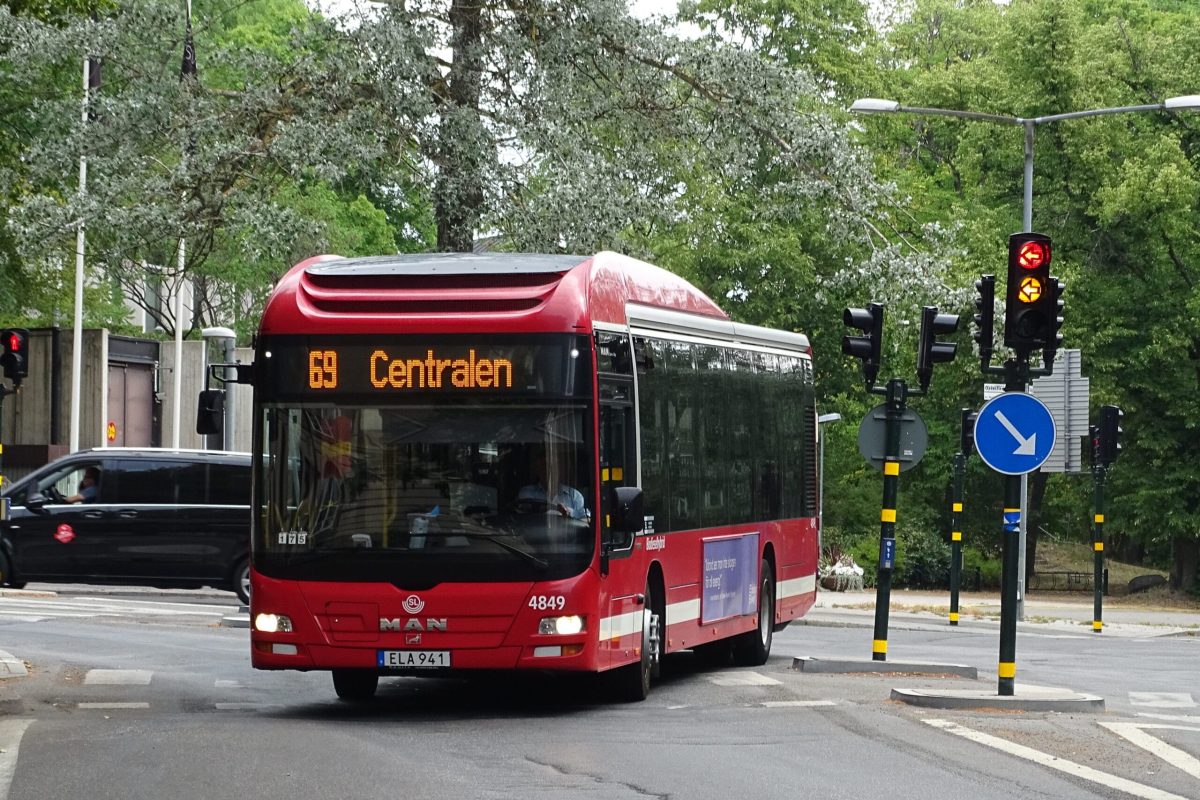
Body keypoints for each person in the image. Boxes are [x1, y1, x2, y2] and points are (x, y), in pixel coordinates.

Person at [518, 450, 588, 520]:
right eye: (544, 466)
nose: (548, 471)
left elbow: (585, 521)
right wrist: (553, 509)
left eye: (552, 467)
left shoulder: (574, 496)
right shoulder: (527, 493)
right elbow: (524, 519)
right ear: (537, 470)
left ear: (559, 470)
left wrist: (569, 514)